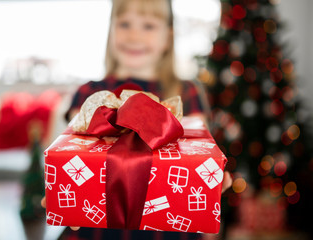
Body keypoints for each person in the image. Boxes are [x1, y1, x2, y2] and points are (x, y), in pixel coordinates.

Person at [42, 0, 232, 239]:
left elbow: (198, 152)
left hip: (170, 224)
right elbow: (70, 153)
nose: (134, 35)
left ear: (168, 37)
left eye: (148, 26)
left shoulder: (186, 93)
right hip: (95, 226)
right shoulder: (89, 94)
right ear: (110, 29)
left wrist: (209, 186)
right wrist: (57, 185)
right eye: (124, 24)